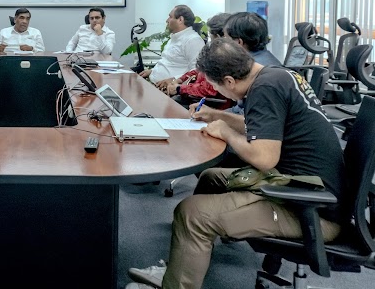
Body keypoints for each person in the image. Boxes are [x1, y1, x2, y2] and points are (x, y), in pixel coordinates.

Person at [127, 38, 346, 289]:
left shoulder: (264, 89)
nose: (216, 91)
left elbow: (264, 158)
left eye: (214, 86)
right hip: (306, 187)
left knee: (191, 214)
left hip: (311, 209)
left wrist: (227, 133)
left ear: (229, 81)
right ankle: (185, 264)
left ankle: (177, 282)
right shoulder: (274, 75)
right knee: (211, 178)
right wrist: (216, 115)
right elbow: (264, 126)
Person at [159, 13, 233, 110]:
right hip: (194, 97)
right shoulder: (216, 53)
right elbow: (199, 70)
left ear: (218, 37)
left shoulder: (223, 58)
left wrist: (179, 88)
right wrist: (180, 79)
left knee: (165, 107)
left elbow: (208, 90)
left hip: (208, 106)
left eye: (210, 36)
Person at [139, 5, 205, 84]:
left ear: (180, 20)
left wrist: (173, 80)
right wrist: (152, 71)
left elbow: (197, 71)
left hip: (169, 88)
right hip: (153, 82)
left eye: (170, 17)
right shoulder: (174, 37)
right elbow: (168, 63)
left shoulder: (193, 40)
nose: (167, 20)